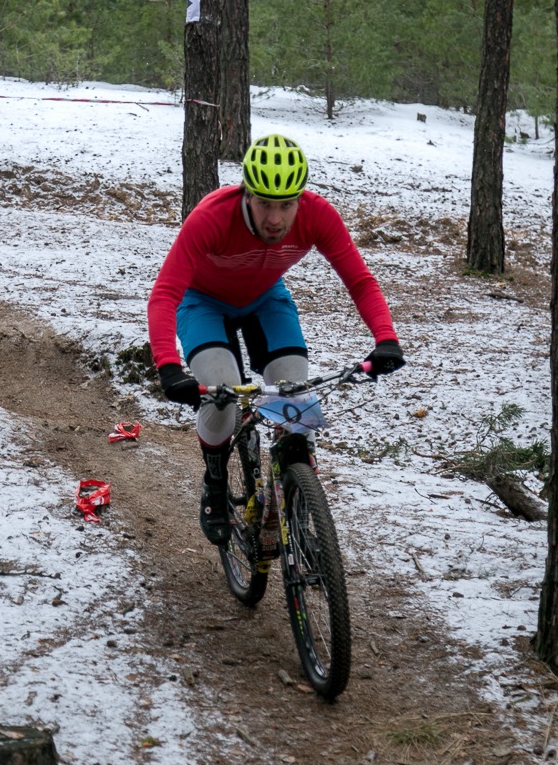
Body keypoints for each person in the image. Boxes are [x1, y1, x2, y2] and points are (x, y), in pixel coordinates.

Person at [147, 133, 405, 545]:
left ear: (300, 198)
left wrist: (386, 338)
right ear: (246, 193)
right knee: (223, 398)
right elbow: (165, 293)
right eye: (265, 203)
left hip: (266, 299)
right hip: (203, 303)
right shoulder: (212, 217)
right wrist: (168, 365)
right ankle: (215, 483)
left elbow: (359, 280)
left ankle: (299, 503)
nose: (275, 218)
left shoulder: (318, 215)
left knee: (297, 400)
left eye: (286, 204)